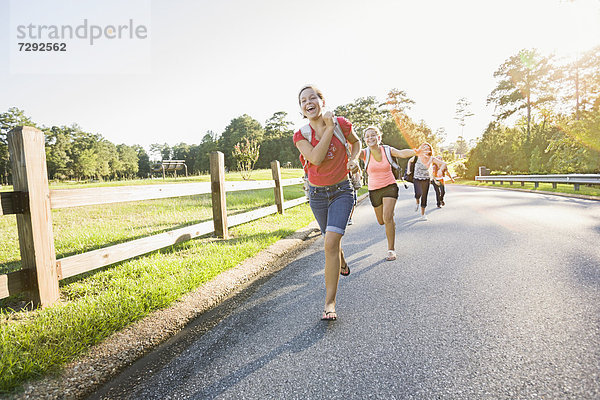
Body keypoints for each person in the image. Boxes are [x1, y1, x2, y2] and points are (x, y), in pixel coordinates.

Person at [293, 84, 361, 321]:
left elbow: (357, 143)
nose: (308, 102)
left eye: (313, 98)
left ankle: (329, 303)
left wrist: (353, 159)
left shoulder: (342, 124)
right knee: (330, 240)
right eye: (303, 100)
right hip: (317, 195)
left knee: (330, 242)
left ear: (322, 102)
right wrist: (329, 128)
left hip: (342, 190)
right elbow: (316, 158)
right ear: (301, 109)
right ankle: (341, 260)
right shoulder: (300, 135)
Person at [361, 126, 418, 261]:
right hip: (374, 190)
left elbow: (402, 153)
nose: (370, 138)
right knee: (382, 221)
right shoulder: (364, 153)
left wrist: (417, 151)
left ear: (379, 137)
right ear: (365, 140)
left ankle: (391, 250)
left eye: (373, 135)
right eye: (367, 136)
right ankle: (390, 220)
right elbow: (350, 151)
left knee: (387, 217)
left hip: (389, 186)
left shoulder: (387, 150)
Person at [406, 142, 447, 221]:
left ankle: (423, 214)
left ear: (430, 150)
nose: (426, 149)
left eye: (428, 148)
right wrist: (408, 170)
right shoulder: (417, 157)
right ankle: (417, 202)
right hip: (417, 178)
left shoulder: (432, 158)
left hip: (426, 179)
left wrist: (440, 170)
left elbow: (443, 164)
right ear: (421, 149)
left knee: (424, 196)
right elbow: (409, 161)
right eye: (424, 148)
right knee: (418, 194)